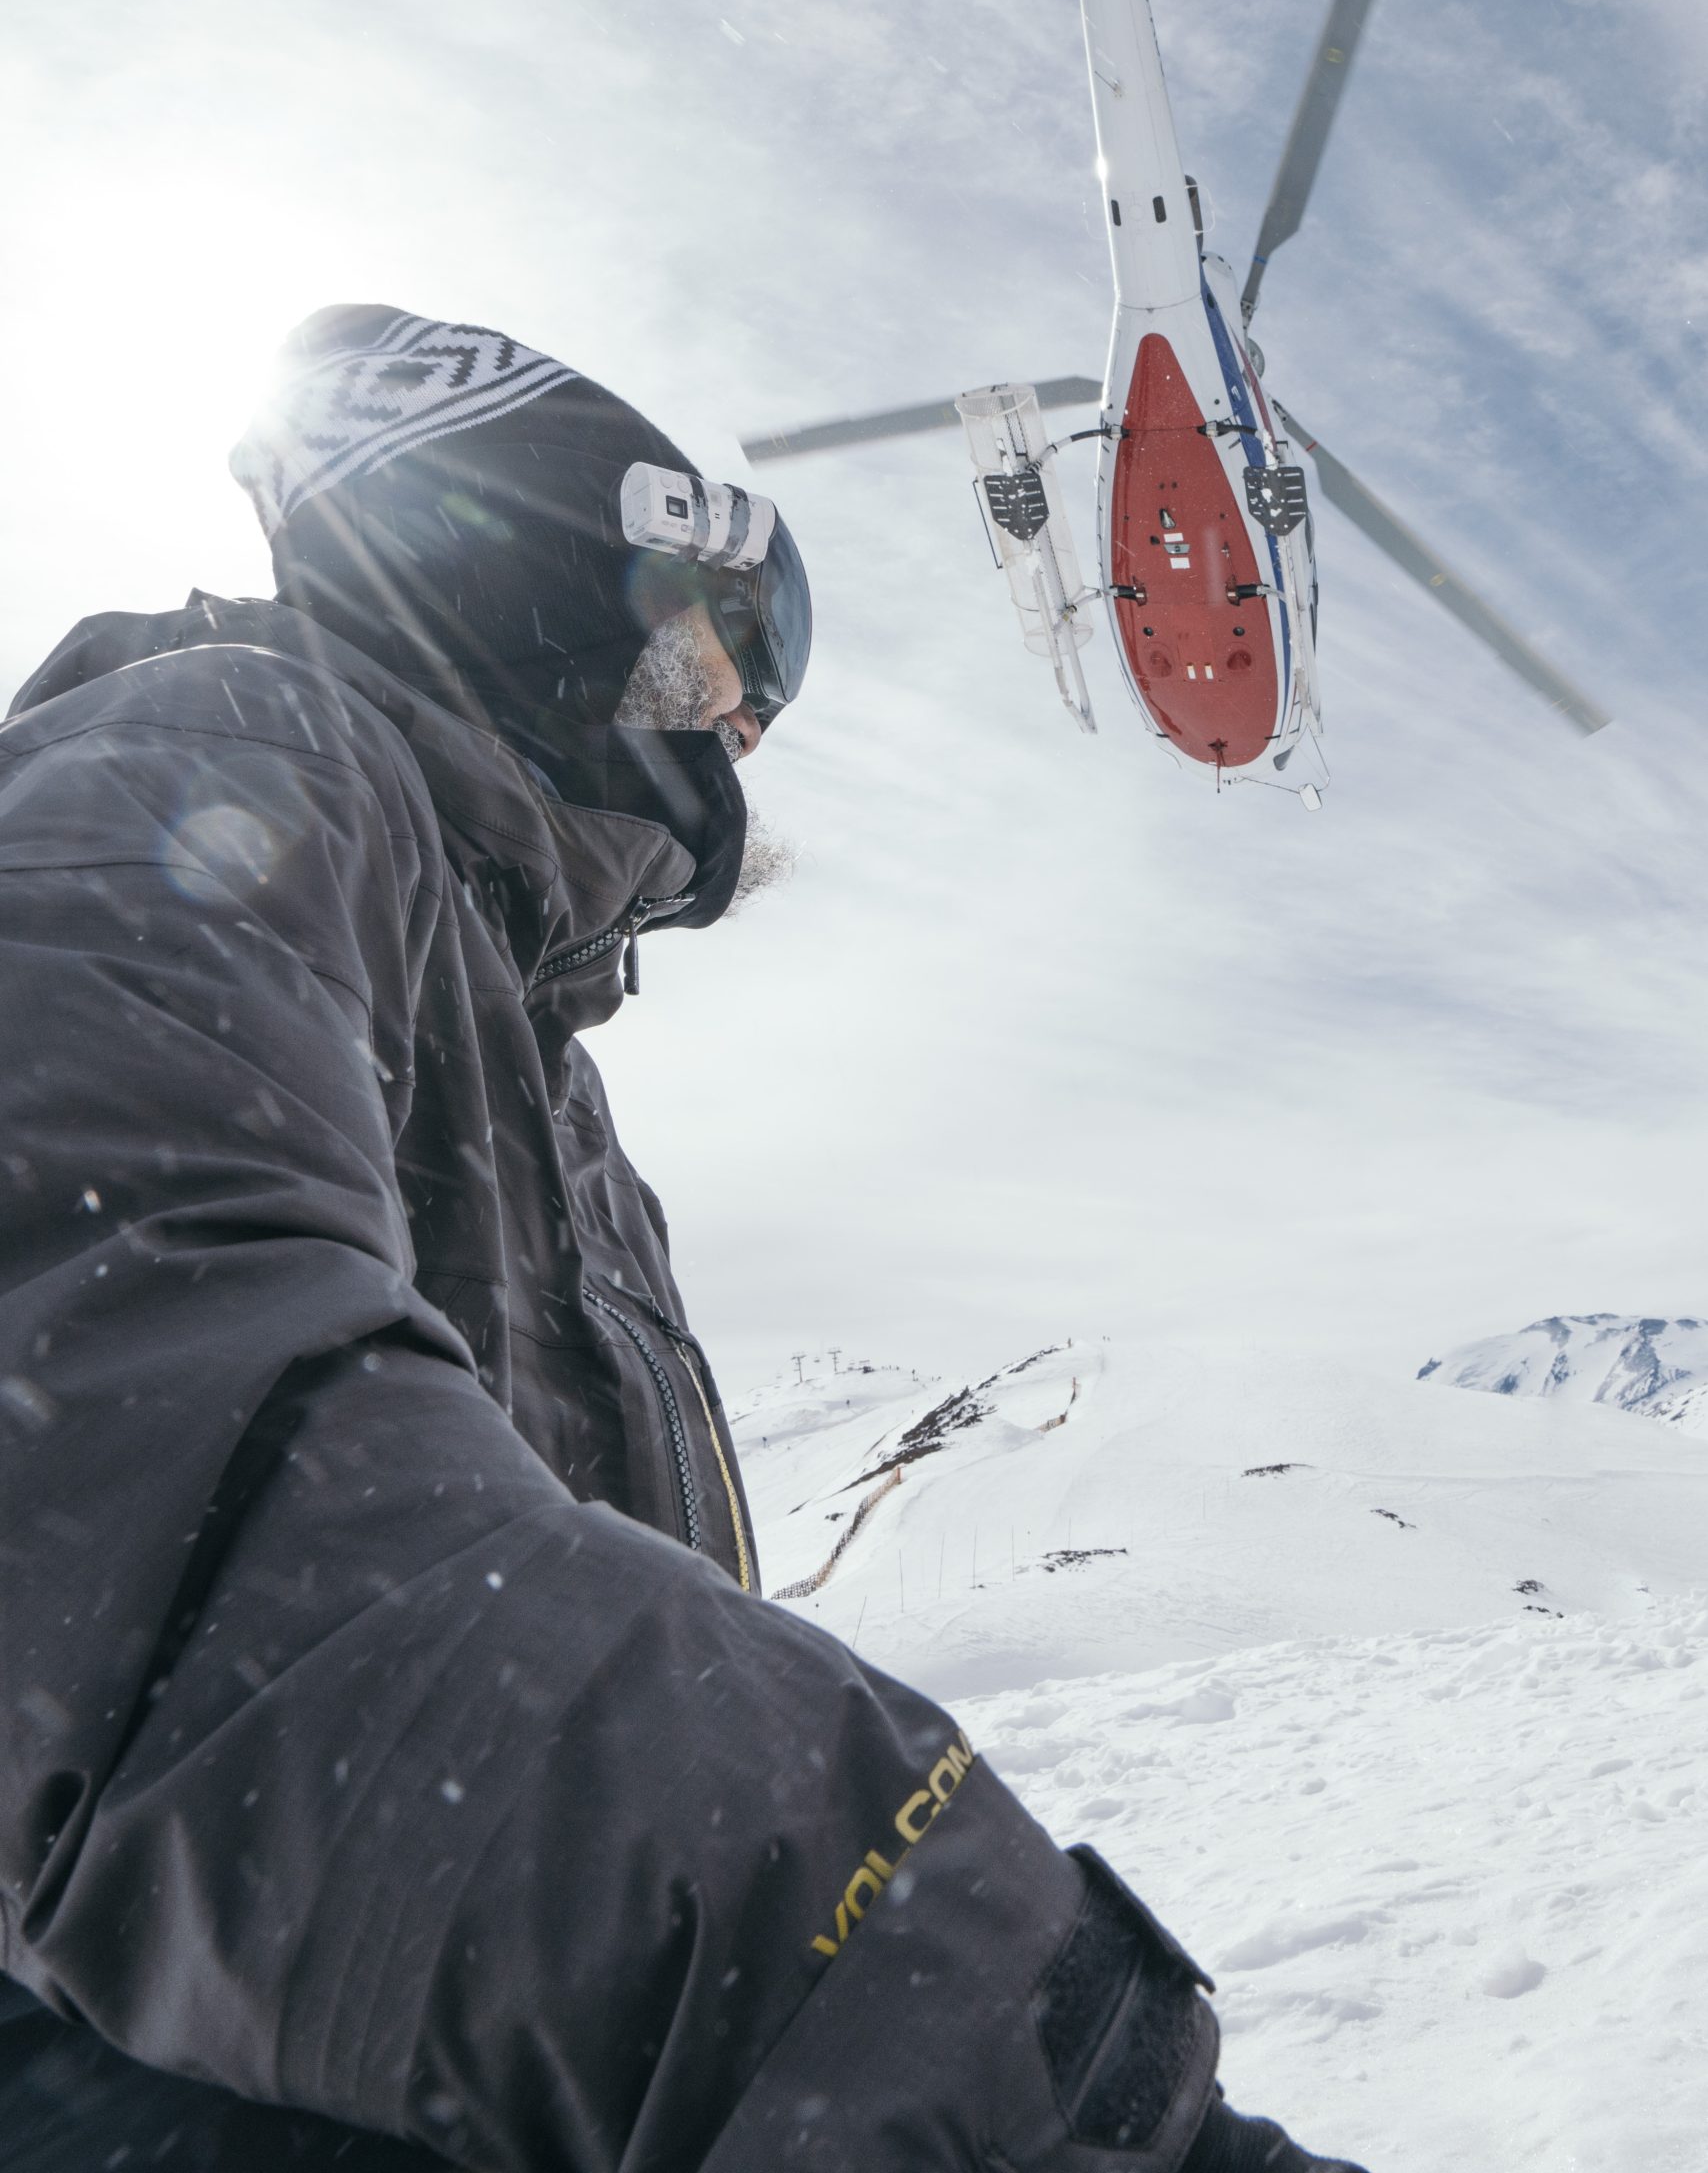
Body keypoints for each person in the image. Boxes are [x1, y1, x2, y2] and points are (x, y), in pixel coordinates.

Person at [0, 306, 1365, 2171]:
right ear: (536, 568)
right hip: (161, 2062)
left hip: (409, 2054)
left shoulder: (526, 1048)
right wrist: (893, 1995)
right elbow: (135, 1475)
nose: (738, 720)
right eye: (723, 646)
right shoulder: (217, 758)